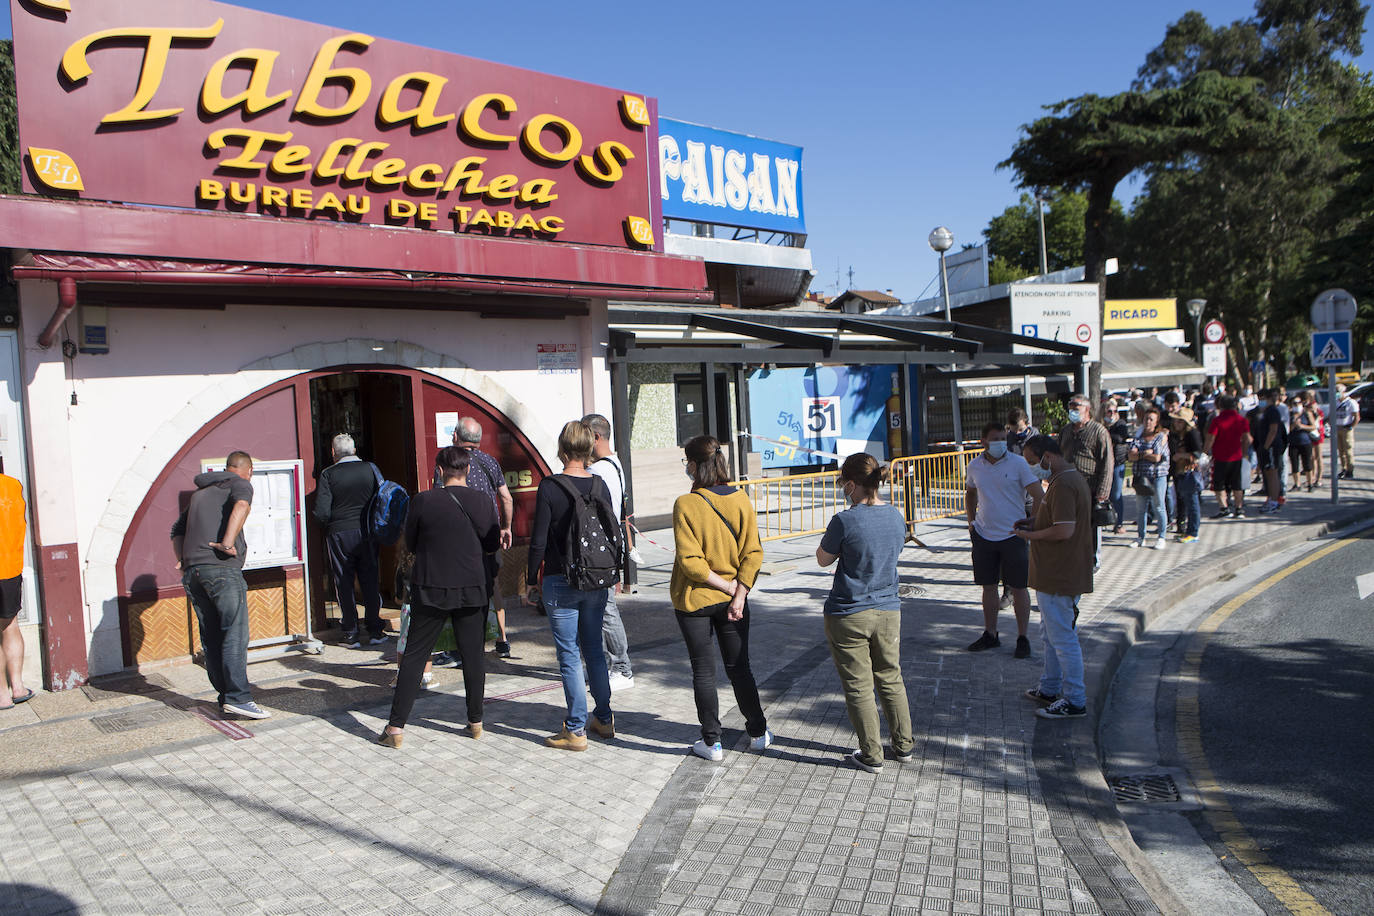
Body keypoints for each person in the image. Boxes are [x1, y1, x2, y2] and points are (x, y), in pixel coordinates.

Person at [379, 446, 499, 748]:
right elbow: (491, 543)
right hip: (472, 587)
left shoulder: (423, 501)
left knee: (415, 655)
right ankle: (475, 721)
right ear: (468, 470)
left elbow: (412, 543)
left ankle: (395, 728)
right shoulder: (483, 501)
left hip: (431, 586)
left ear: (440, 471)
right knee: (473, 655)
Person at [671, 435, 772, 762]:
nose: (686, 467)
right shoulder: (741, 499)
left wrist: (728, 588)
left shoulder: (686, 504)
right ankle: (758, 733)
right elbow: (753, 553)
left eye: (687, 462)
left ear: (695, 465)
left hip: (695, 600)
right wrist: (738, 593)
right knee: (739, 668)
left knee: (703, 671)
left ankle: (712, 743)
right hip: (734, 601)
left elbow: (691, 563)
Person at [816, 453, 913, 774]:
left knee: (858, 685)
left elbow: (823, 559)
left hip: (849, 611)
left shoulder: (844, 520)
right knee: (891, 677)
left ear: (851, 484)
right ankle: (903, 745)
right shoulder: (896, 516)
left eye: (843, 483)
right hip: (888, 609)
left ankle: (872, 754)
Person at [527, 421, 618, 751]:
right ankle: (604, 718)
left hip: (560, 578)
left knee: (568, 654)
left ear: (562, 449)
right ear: (589, 448)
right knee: (594, 649)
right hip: (595, 578)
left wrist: (530, 580)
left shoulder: (550, 487)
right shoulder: (599, 484)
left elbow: (538, 541)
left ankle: (576, 729)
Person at [171, 451, 270, 720]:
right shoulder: (240, 484)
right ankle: (239, 698)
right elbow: (242, 506)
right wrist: (227, 543)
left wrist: (183, 559)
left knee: (212, 636)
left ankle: (226, 696)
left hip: (194, 573)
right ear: (248, 470)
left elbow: (176, 530)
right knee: (234, 633)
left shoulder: (200, 493)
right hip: (222, 571)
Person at [1015, 436, 1093, 720]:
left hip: (1061, 574)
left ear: (1047, 457)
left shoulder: (1064, 485)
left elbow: (1064, 530)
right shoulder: (1064, 480)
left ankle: (1074, 700)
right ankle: (1049, 687)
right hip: (1054, 574)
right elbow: (1057, 521)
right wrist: (1034, 522)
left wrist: (1031, 535)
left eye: (1032, 462)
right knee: (1050, 635)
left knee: (1062, 638)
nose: (1031, 468)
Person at [964, 422, 1043, 658]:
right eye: (995, 439)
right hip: (984, 535)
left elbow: (1039, 494)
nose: (1000, 443)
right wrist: (971, 522)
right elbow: (970, 492)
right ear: (983, 442)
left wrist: (1032, 523)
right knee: (988, 587)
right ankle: (991, 634)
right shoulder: (974, 465)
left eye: (1003, 438)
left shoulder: (1018, 463)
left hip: (1013, 535)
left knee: (1019, 588)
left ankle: (1022, 637)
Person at [446, 417, 515, 658]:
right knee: (493, 584)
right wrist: (506, 527)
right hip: (489, 532)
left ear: (456, 436)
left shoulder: (450, 462)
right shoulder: (490, 461)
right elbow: (507, 498)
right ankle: (502, 640)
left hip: (460, 535)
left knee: (459, 586)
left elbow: (441, 495)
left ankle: (460, 646)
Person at [313, 433, 385, 648]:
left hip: (339, 533)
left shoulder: (328, 474)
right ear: (354, 450)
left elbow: (322, 512)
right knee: (370, 579)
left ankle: (351, 633)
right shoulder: (370, 468)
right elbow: (383, 497)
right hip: (367, 531)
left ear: (333, 453)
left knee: (344, 581)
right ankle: (375, 630)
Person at [583, 413, 635, 692]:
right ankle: (606, 664)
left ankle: (622, 668)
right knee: (602, 608)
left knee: (605, 610)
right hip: (610, 547)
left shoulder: (598, 471)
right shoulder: (615, 464)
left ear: (595, 437)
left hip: (601, 549)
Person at [1057, 394, 1113, 568]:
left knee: (1090, 525)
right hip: (1068, 487)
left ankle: (1093, 559)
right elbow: (1058, 456)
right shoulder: (1066, 431)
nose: (1072, 411)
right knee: (1070, 524)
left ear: (1087, 409)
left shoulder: (1098, 431)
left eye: (1076, 407)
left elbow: (1107, 462)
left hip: (1090, 487)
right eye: (1070, 407)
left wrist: (1103, 491)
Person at [0, 464, 31, 710]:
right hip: (10, 569)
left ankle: (2, 695)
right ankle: (18, 687)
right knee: (10, 626)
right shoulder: (13, 486)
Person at [1128, 408, 1170, 550]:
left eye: (1151, 419)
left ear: (1156, 422)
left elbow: (1157, 457)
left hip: (1157, 476)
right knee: (1141, 508)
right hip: (1142, 477)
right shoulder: (1138, 436)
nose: (1148, 422)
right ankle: (1141, 537)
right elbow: (1131, 455)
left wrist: (1140, 454)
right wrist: (1145, 453)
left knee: (1159, 506)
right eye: (1146, 419)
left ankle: (1161, 536)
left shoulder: (1160, 437)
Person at [1204, 395, 1251, 518]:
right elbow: (1247, 439)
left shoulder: (1217, 420)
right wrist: (1244, 452)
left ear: (1221, 406)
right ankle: (1239, 508)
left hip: (1220, 456)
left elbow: (1210, 438)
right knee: (1237, 483)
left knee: (1218, 484)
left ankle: (1224, 508)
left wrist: (1205, 452)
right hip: (1237, 456)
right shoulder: (1242, 420)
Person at [1168, 408, 1204, 542]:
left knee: (1192, 503)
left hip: (1190, 471)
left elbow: (1198, 453)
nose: (1176, 423)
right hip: (1180, 471)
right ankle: (1188, 531)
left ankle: (1193, 533)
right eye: (1176, 420)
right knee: (1186, 501)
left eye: (1180, 421)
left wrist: (1181, 455)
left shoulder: (1192, 433)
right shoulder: (1178, 434)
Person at [1258, 389, 1289, 513]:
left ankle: (1274, 501)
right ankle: (1271, 498)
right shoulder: (1266, 411)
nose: (1260, 401)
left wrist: (1266, 446)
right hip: (1267, 446)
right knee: (1268, 473)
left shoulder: (1272, 411)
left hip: (1271, 447)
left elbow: (1273, 430)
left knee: (1273, 473)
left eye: (1262, 399)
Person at [1102, 398, 1130, 534]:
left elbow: (1121, 438)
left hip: (1118, 463)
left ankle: (1119, 523)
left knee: (1116, 494)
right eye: (1109, 411)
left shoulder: (1120, 424)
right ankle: (1106, 519)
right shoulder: (1101, 425)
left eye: (1115, 411)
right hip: (1104, 463)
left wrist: (1107, 434)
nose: (1112, 414)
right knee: (1104, 493)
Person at [1288, 396, 1318, 492]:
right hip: (1293, 442)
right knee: (1294, 464)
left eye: (1299, 403)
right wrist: (1294, 424)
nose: (1297, 405)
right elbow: (1287, 429)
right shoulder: (1290, 414)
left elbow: (1313, 426)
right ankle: (1297, 484)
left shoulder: (1306, 413)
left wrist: (1302, 426)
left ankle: (1310, 484)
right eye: (1294, 403)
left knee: (1307, 464)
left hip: (1305, 442)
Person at [1335, 384, 1360, 479]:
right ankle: (1344, 468)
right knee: (1340, 451)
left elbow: (1356, 417)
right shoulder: (1335, 402)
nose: (1336, 393)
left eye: (1338, 391)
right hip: (1338, 428)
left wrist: (1351, 426)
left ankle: (1350, 470)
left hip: (1346, 428)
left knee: (1348, 450)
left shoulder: (1350, 402)